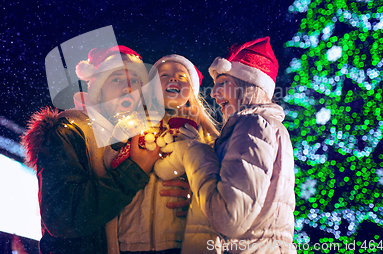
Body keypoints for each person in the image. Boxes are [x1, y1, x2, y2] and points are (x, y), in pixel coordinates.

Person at [22, 45, 165, 254]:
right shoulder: (70, 130)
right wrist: (133, 171)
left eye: (135, 80)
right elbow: (63, 216)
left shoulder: (145, 138)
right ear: (98, 88)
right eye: (116, 79)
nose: (128, 87)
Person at [182, 37, 296, 253]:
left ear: (248, 86)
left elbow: (229, 218)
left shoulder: (253, 125)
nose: (213, 93)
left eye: (222, 84)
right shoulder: (269, 128)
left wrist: (195, 151)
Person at [104, 54, 219, 254]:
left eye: (182, 76)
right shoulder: (133, 123)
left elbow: (214, 181)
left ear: (192, 91)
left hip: (178, 239)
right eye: (163, 75)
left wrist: (195, 197)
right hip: (130, 237)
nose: (173, 78)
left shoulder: (203, 135)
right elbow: (107, 162)